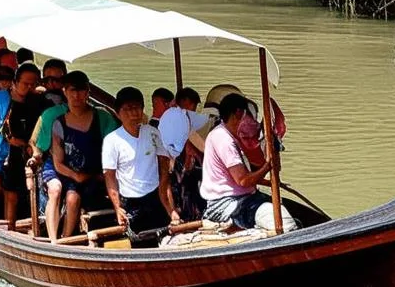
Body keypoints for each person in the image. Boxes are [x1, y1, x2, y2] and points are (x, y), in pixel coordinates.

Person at [200, 92, 296, 232]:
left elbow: (237, 177)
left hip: (242, 197)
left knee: (282, 210)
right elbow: (243, 180)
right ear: (239, 113)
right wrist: (267, 166)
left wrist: (269, 179)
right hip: (227, 204)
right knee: (286, 225)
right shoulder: (223, 139)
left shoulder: (229, 135)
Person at [0, 63, 46, 228]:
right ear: (15, 82)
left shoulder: (37, 103)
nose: (29, 88)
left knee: (12, 196)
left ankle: (10, 228)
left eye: (33, 84)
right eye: (25, 84)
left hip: (21, 158)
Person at [102, 86, 178, 236]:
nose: (134, 113)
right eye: (128, 109)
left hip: (154, 196)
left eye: (137, 107)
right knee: (137, 242)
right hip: (130, 201)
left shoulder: (153, 133)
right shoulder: (112, 140)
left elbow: (164, 170)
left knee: (163, 238)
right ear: (118, 113)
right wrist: (118, 208)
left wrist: (171, 209)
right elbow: (110, 176)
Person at [43, 71, 106, 241]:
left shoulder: (100, 117)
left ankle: (66, 238)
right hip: (62, 170)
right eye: (72, 90)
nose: (76, 96)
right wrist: (76, 176)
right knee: (55, 190)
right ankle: (53, 240)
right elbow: (58, 163)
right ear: (65, 91)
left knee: (72, 198)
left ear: (87, 93)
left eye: (81, 91)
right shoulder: (59, 123)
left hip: (87, 172)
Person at [156, 87, 208, 160]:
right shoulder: (185, 114)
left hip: (165, 154)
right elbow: (207, 120)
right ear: (185, 101)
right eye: (194, 104)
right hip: (178, 157)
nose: (195, 109)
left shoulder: (166, 114)